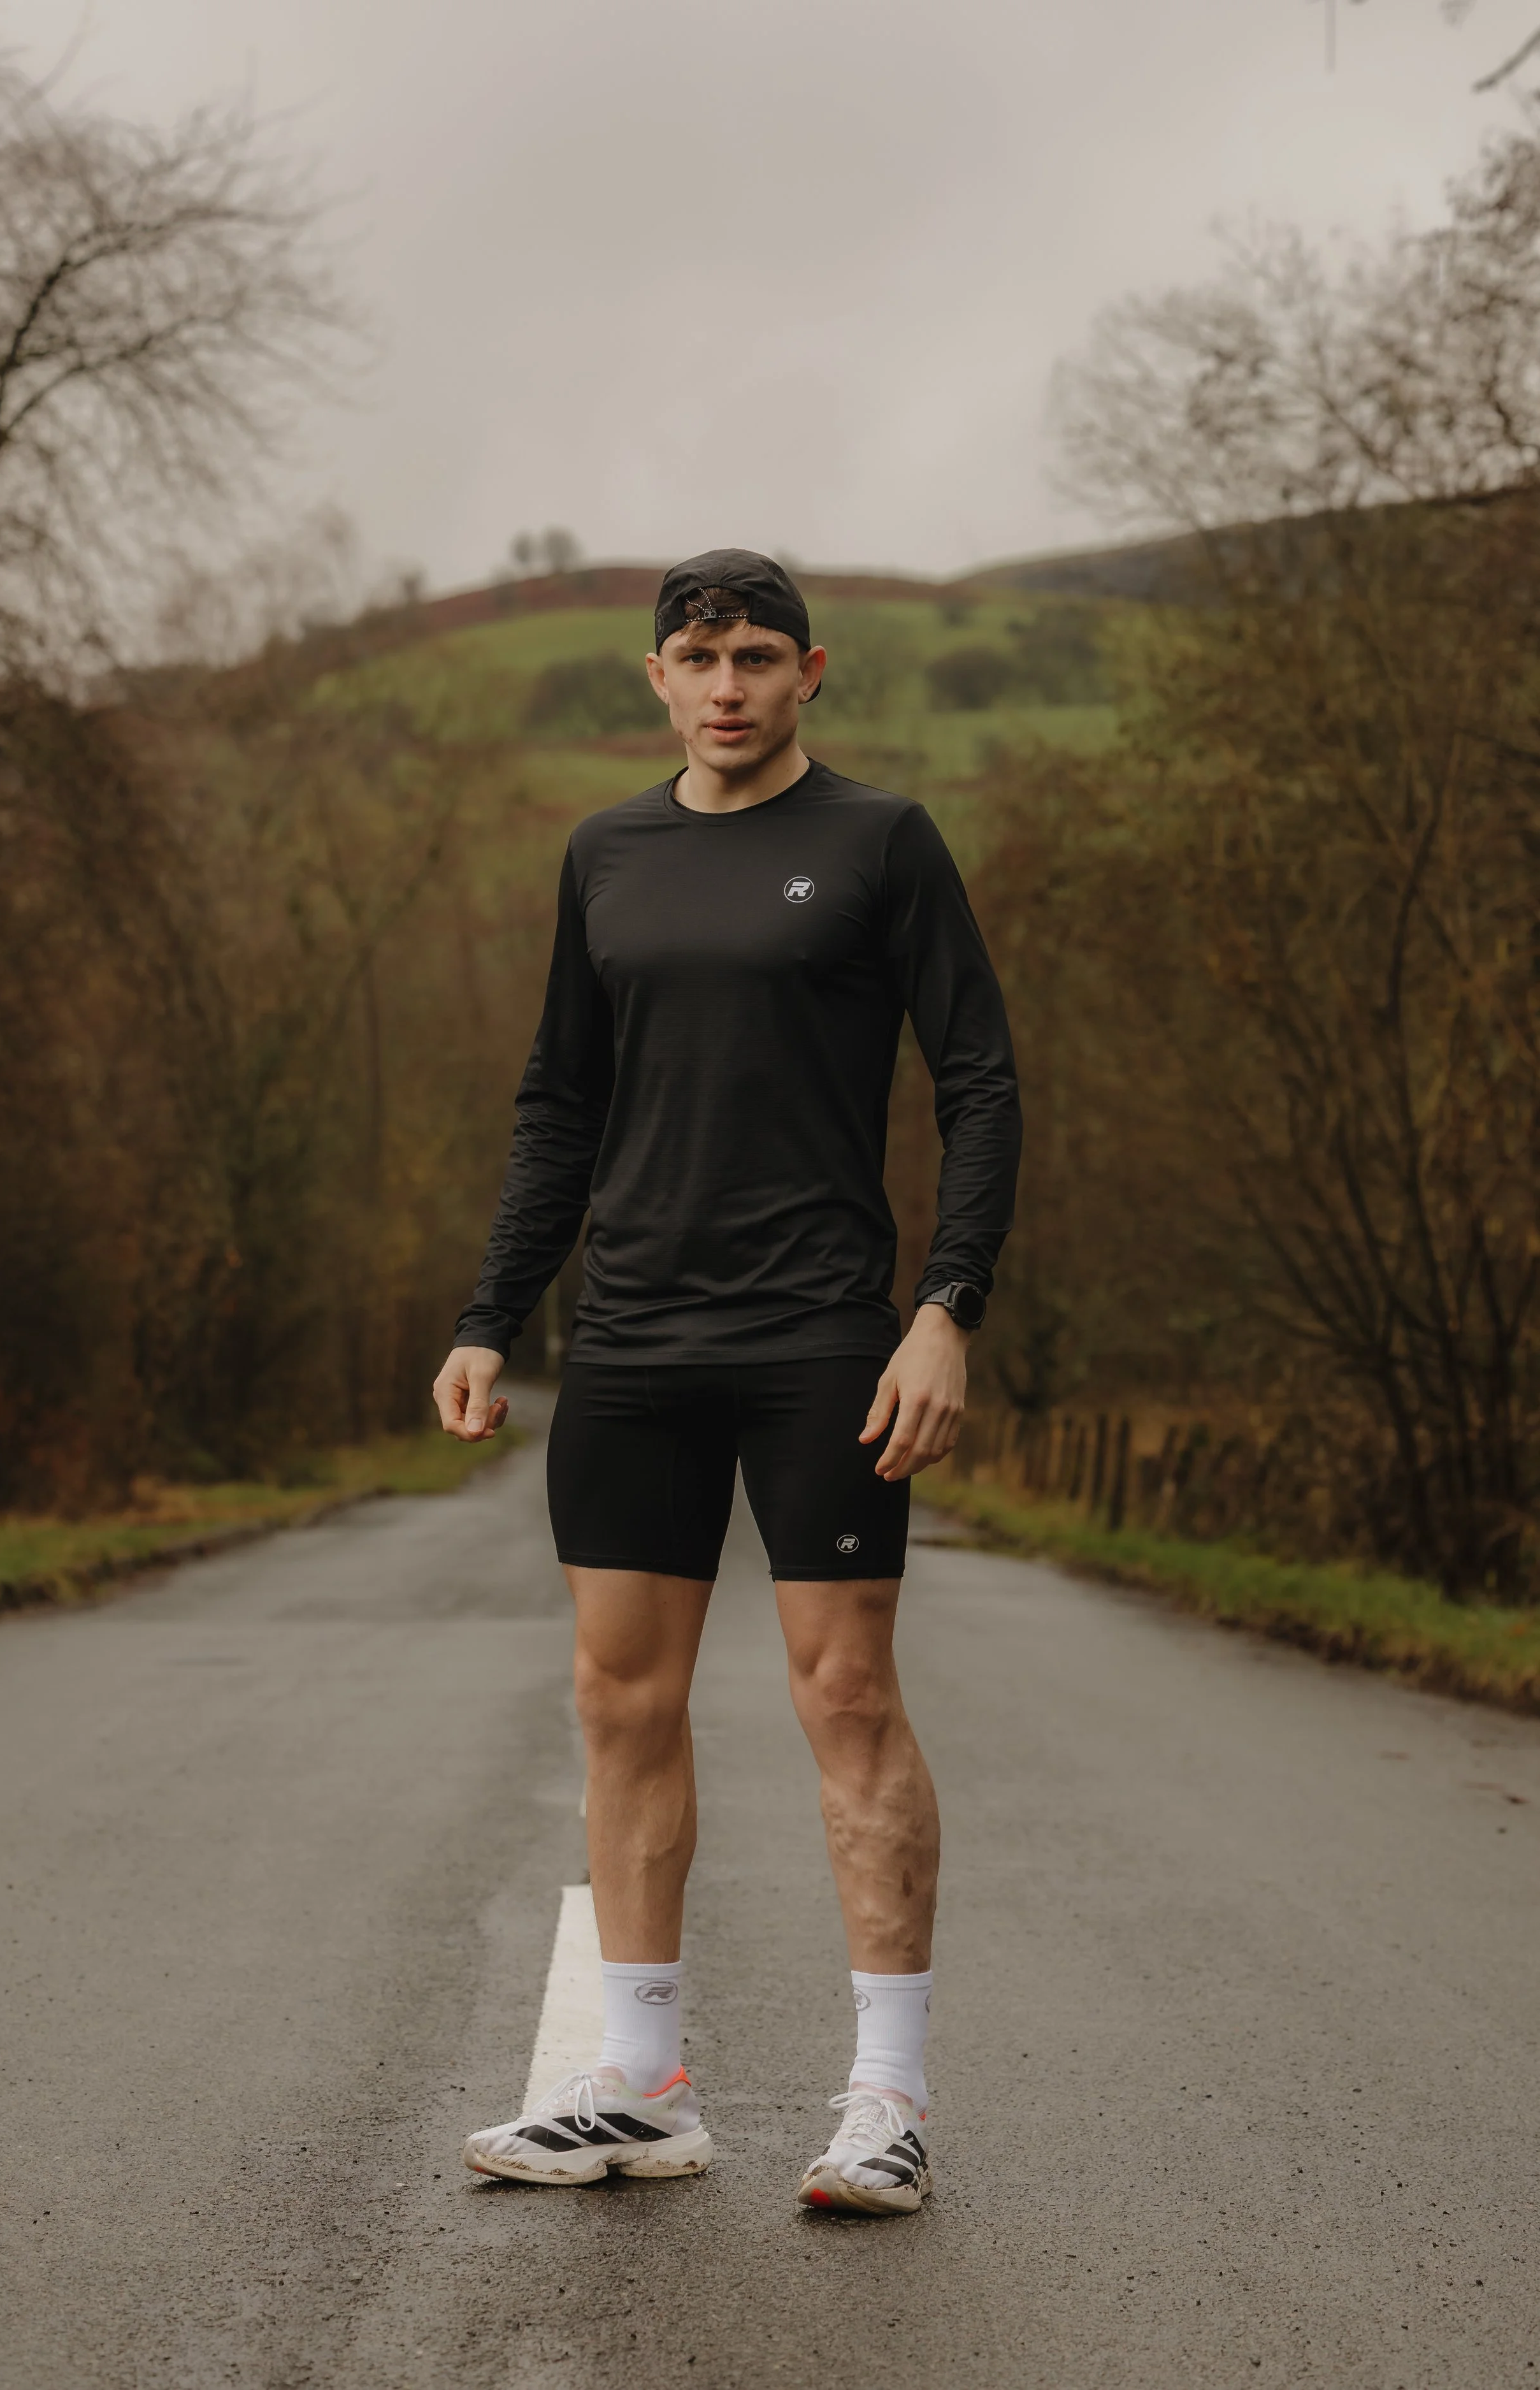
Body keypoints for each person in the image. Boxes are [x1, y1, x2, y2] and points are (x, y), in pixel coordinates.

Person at [436, 548, 1021, 2215]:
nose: (728, 682)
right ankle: (641, 2083)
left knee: (843, 1696)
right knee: (620, 1702)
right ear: (656, 677)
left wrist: (944, 1308)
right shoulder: (602, 853)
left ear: (809, 671)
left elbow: (978, 1080)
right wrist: (491, 1313)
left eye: (759, 653)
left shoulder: (880, 843)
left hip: (824, 1334)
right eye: (698, 654)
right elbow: (559, 1101)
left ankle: (887, 2100)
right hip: (629, 1342)